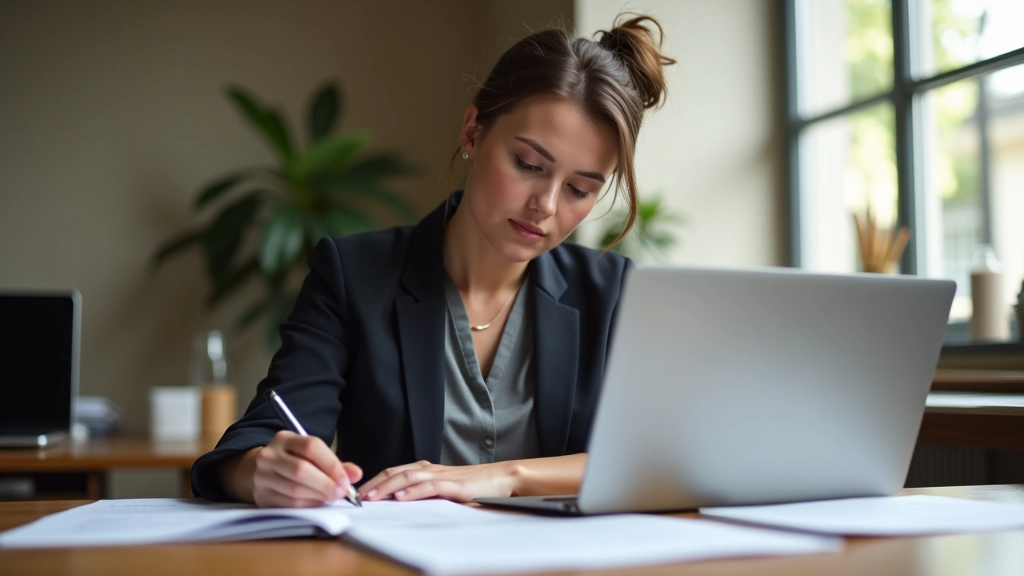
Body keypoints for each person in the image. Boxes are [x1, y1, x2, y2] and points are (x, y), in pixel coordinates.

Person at [191, 14, 675, 508]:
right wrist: (261, 471)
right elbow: (254, 441)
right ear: (472, 132)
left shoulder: (613, 291)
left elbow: (659, 458)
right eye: (529, 165)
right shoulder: (354, 275)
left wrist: (504, 476)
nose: (547, 205)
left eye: (579, 189)